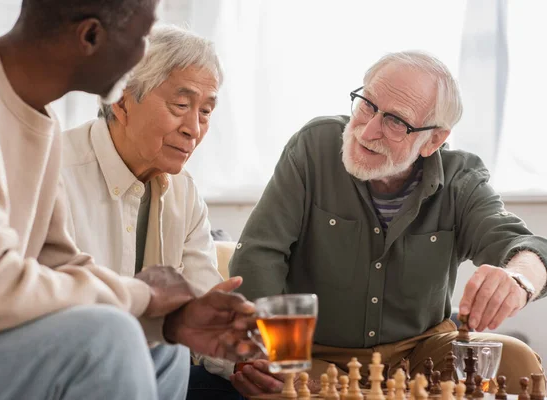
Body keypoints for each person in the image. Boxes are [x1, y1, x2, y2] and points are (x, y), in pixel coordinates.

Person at [0, 1, 258, 399]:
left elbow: (57, 262)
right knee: (111, 338)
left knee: (163, 345)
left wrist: (166, 322)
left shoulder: (38, 118)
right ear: (91, 36)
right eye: (143, 37)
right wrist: (142, 296)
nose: (143, 54)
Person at [194, 51, 547, 399]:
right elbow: (260, 253)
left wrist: (518, 280)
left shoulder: (461, 178)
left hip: (420, 353)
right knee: (275, 379)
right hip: (317, 356)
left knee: (516, 360)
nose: (369, 129)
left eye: (396, 121)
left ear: (434, 140)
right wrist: (261, 351)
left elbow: (527, 248)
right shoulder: (313, 147)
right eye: (367, 104)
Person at [61, 25, 230, 399]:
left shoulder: (184, 192)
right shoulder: (54, 174)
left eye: (205, 111)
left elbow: (202, 307)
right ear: (121, 101)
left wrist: (248, 359)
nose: (194, 129)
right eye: (181, 106)